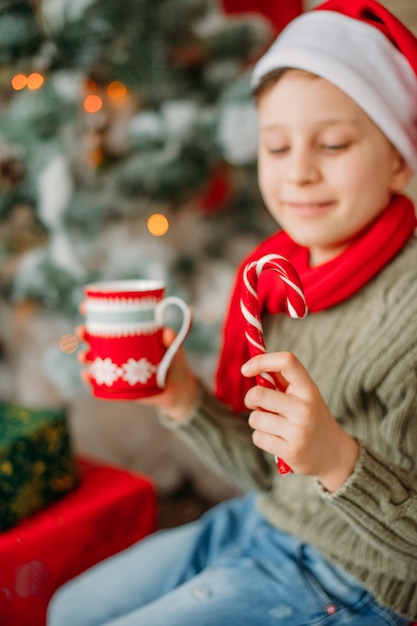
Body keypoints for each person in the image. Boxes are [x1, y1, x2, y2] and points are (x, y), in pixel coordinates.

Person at [47, 1, 417, 624]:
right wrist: (182, 397)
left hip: (356, 582)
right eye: (276, 147)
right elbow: (268, 473)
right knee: (70, 608)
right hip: (263, 524)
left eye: (332, 143)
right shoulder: (277, 279)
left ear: (400, 156)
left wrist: (338, 462)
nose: (298, 171)